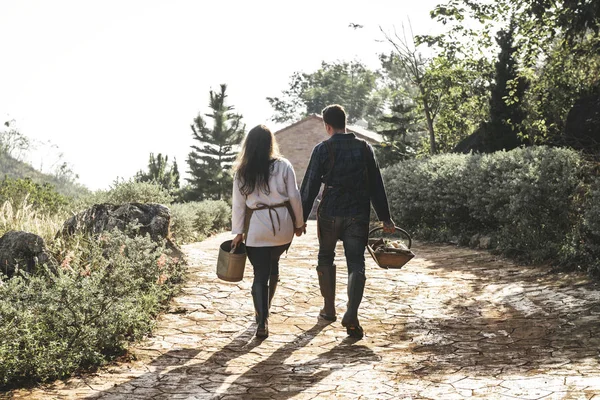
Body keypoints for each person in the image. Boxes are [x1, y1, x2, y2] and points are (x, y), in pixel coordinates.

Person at [300, 104, 395, 339]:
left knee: (326, 256)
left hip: (329, 212)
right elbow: (376, 185)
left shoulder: (322, 149)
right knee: (356, 262)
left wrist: (300, 219)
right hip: (357, 213)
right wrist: (385, 217)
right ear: (346, 122)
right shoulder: (365, 148)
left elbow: (310, 185)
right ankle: (351, 314)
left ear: (327, 126)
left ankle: (329, 309)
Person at [231, 125, 306, 339]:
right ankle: (266, 310)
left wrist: (238, 232)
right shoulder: (283, 165)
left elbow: (238, 205)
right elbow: (294, 196)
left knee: (259, 274)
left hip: (257, 227)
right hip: (282, 227)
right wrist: (299, 224)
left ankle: (261, 320)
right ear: (270, 143)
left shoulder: (242, 171)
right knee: (273, 266)